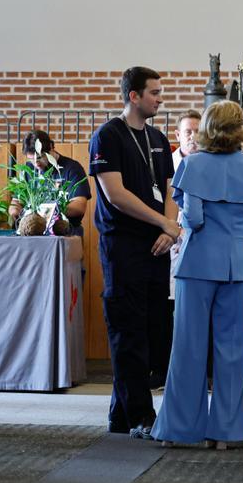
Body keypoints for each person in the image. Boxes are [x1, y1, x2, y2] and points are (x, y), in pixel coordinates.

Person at [149, 100, 243, 448]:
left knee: (188, 348)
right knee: (233, 351)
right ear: (240, 128)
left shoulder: (191, 165)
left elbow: (192, 218)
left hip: (197, 263)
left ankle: (180, 429)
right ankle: (226, 432)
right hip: (241, 264)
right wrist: (239, 240)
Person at [88, 67, 182, 434]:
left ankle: (120, 415)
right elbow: (115, 194)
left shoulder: (158, 137)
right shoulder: (108, 136)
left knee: (151, 330)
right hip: (123, 246)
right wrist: (162, 223)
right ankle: (142, 414)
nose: (160, 98)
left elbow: (170, 189)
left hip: (157, 246)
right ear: (133, 96)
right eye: (154, 93)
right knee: (128, 332)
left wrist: (170, 228)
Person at [155, 109, 201, 388]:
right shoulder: (168, 164)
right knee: (166, 310)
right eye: (188, 132)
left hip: (197, 242)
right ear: (177, 135)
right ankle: (164, 370)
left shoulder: (208, 163)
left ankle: (196, 373)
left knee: (194, 310)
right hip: (170, 238)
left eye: (198, 131)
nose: (193, 137)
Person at [7, 129, 91, 234]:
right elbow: (16, 202)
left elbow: (79, 207)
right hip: (33, 230)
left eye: (39, 157)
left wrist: (48, 210)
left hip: (65, 231)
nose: (36, 164)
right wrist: (15, 213)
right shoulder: (27, 170)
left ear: (51, 148)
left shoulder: (72, 168)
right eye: (31, 159)